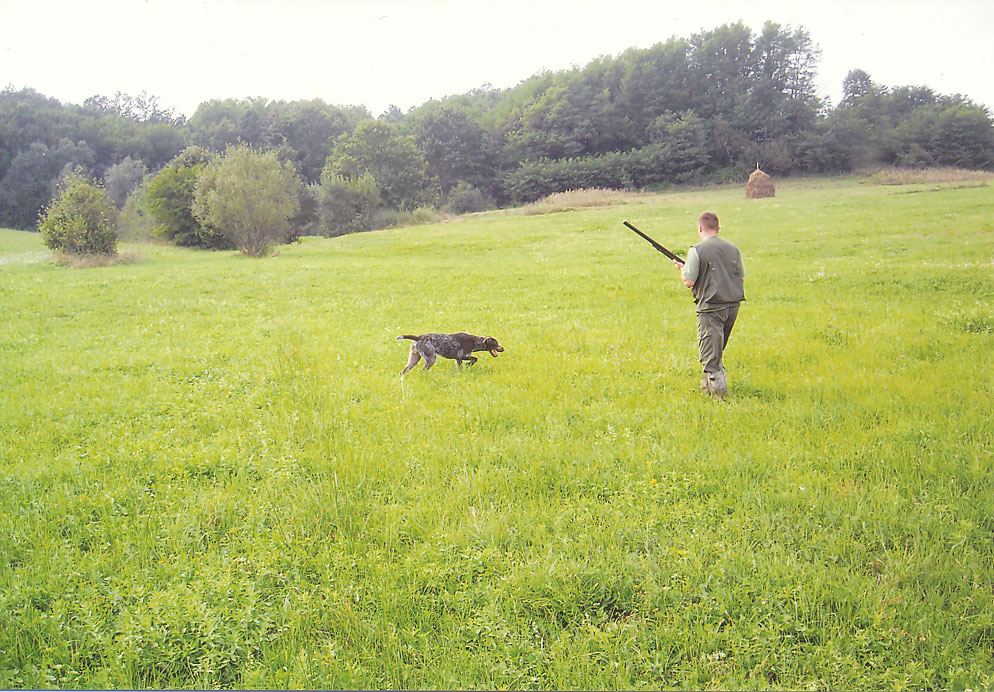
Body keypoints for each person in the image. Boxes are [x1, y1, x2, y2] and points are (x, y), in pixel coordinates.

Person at [673, 212, 745, 399]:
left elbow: (689, 281)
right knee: (714, 352)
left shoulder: (696, 250)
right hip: (732, 306)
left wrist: (682, 270)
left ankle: (720, 402)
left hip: (711, 308)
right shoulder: (733, 248)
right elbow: (742, 277)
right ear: (718, 228)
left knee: (711, 359)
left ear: (699, 228)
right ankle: (706, 392)